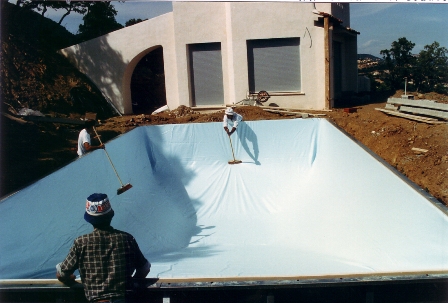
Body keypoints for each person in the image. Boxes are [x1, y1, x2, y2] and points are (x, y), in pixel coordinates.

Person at [56, 193, 151, 303]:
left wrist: (71, 279)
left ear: (89, 219)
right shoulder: (127, 239)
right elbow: (144, 268)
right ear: (110, 215)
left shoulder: (81, 243)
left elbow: (62, 273)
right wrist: (131, 283)